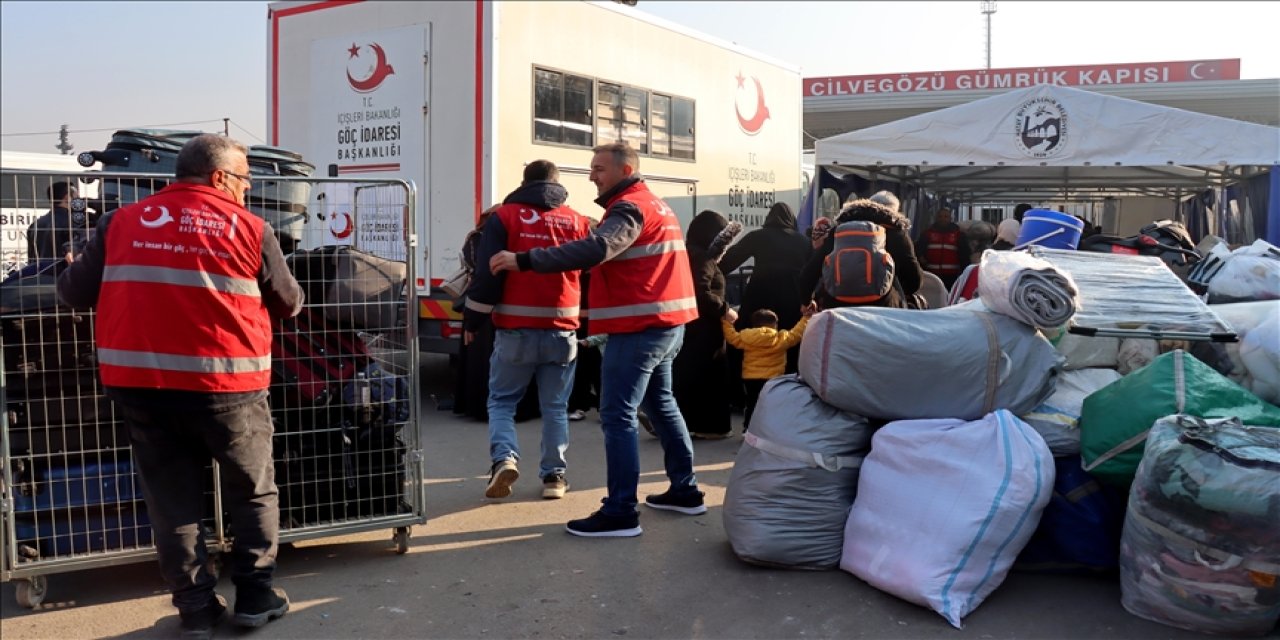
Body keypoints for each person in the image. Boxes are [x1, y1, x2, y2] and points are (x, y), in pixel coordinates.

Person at [56, 134, 302, 636]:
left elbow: (73, 293)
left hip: (143, 387)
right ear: (219, 177)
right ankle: (255, 597)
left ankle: (195, 610)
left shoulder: (121, 222)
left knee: (173, 501)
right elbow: (289, 302)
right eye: (244, 179)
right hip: (227, 385)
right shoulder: (252, 228)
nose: (247, 189)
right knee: (251, 491)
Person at [489, 142, 704, 538]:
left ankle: (621, 511)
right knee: (662, 404)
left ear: (625, 170)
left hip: (639, 330)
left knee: (617, 415)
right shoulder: (655, 204)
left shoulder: (628, 208)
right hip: (667, 325)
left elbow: (598, 248)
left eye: (599, 168)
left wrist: (525, 260)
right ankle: (684, 490)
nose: (591, 175)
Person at [463, 160, 591, 501]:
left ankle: (504, 459)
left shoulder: (506, 216)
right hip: (562, 330)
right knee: (555, 407)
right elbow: (589, 270)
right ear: (557, 184)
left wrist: (472, 322)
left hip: (515, 330)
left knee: (503, 401)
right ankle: (555, 478)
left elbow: (488, 274)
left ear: (525, 181)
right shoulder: (577, 220)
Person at [452, 206, 541, 423]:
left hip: (482, 305)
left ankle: (482, 406)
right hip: (505, 305)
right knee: (510, 360)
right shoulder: (511, 239)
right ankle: (516, 408)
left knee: (484, 359)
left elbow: (477, 268)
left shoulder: (476, 239)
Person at [719, 202, 811, 374]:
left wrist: (711, 269)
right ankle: (788, 379)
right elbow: (812, 273)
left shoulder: (757, 236)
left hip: (759, 297)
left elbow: (728, 261)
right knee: (790, 341)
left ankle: (747, 383)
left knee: (750, 339)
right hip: (792, 298)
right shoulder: (804, 242)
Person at [674, 209, 736, 440]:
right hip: (706, 326)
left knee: (688, 372)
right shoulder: (703, 258)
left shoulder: (689, 253)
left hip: (690, 323)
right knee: (710, 376)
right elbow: (702, 291)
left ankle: (681, 422)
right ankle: (710, 426)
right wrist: (725, 310)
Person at [800, 195, 924, 310]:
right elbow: (914, 282)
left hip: (838, 309)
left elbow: (809, 274)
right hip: (883, 310)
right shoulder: (896, 233)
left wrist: (807, 301)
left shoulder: (838, 232)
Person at [722, 307, 812, 431]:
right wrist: (806, 318)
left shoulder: (747, 338)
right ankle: (771, 430)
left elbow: (732, 337)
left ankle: (748, 429)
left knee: (752, 403)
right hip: (773, 378)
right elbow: (797, 333)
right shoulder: (781, 339)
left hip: (750, 378)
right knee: (772, 405)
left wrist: (726, 323)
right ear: (774, 324)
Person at [26, 181, 85, 265]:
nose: (79, 200)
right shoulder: (73, 223)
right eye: (77, 197)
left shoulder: (34, 225)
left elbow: (31, 256)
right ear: (67, 198)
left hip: (39, 273)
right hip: (62, 273)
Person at [915, 206, 970, 290]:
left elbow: (965, 255)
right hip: (931, 274)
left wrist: (964, 274)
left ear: (951, 218)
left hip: (951, 276)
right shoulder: (927, 233)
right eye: (940, 216)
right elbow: (918, 250)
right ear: (936, 218)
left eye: (946, 216)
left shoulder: (958, 235)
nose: (943, 219)